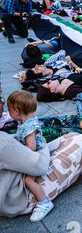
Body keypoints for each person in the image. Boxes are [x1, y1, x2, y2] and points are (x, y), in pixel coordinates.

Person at [6, 90, 53, 222]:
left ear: (16, 110)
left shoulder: (29, 127)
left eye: (9, 110)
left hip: (38, 154)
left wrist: (16, 150)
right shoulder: (27, 120)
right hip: (37, 150)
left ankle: (44, 202)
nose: (8, 113)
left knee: (28, 180)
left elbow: (31, 148)